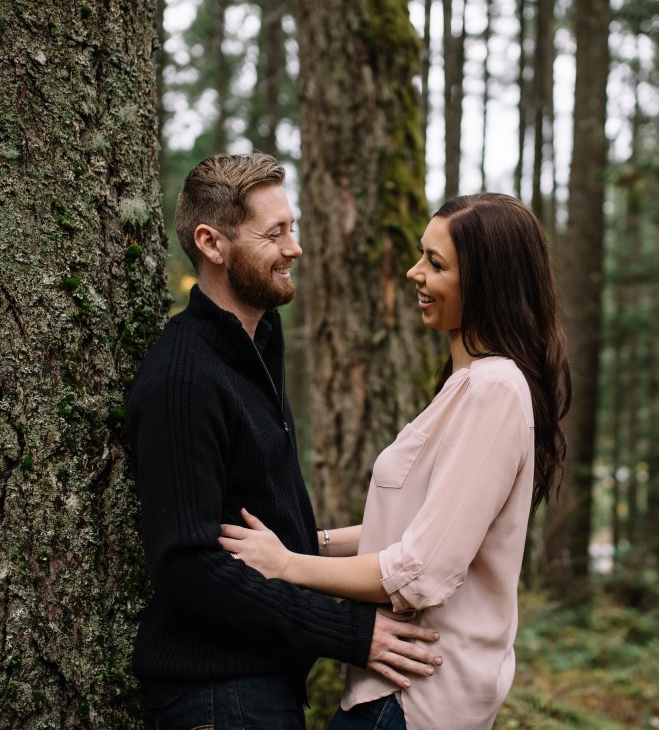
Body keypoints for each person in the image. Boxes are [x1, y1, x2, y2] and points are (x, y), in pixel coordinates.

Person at [220, 193, 572, 730]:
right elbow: (420, 532)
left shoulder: (494, 390)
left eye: (436, 263)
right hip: (398, 688)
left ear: (487, 283)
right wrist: (309, 542)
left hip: (412, 695)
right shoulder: (469, 386)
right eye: (420, 255)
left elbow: (420, 570)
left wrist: (286, 565)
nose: (414, 273)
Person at [126, 153, 442, 730]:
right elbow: (187, 566)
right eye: (274, 234)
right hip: (218, 694)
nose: (294, 248)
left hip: (260, 685)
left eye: (292, 228)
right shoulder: (184, 378)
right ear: (212, 243)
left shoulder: (257, 346)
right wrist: (346, 630)